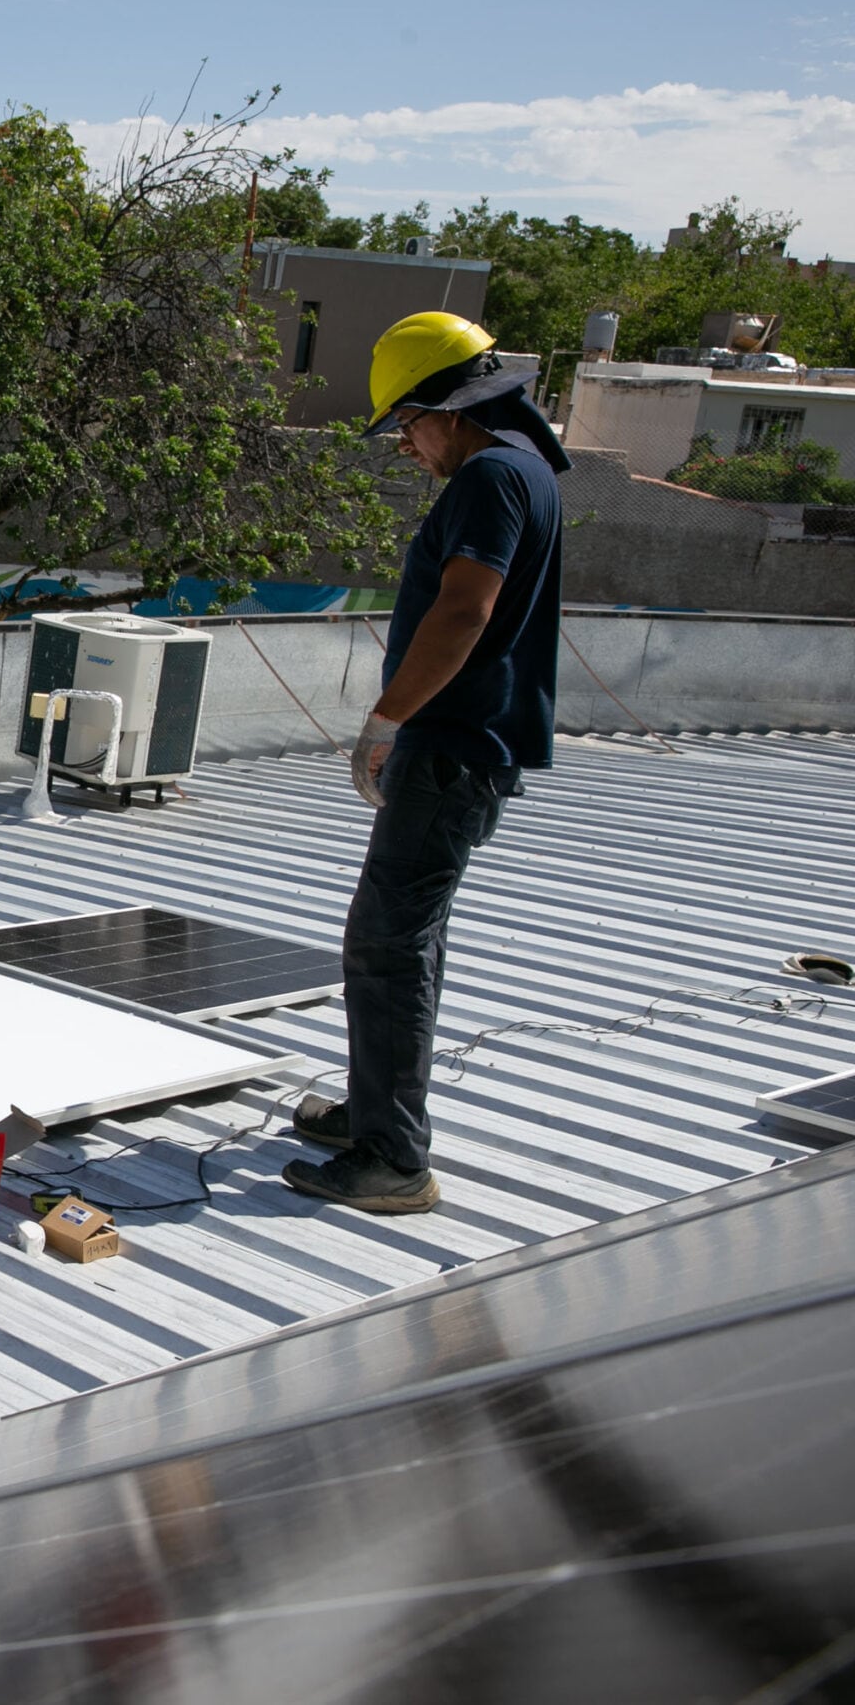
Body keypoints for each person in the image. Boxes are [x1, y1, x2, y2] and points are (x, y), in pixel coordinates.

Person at [285, 311, 572, 1213]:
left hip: (449, 751)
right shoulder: (527, 467)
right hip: (462, 750)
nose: (406, 447)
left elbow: (463, 612)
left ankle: (391, 1157)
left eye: (406, 426)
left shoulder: (490, 476)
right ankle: (377, 1114)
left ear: (446, 408)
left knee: (385, 945)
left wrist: (386, 718)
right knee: (409, 939)